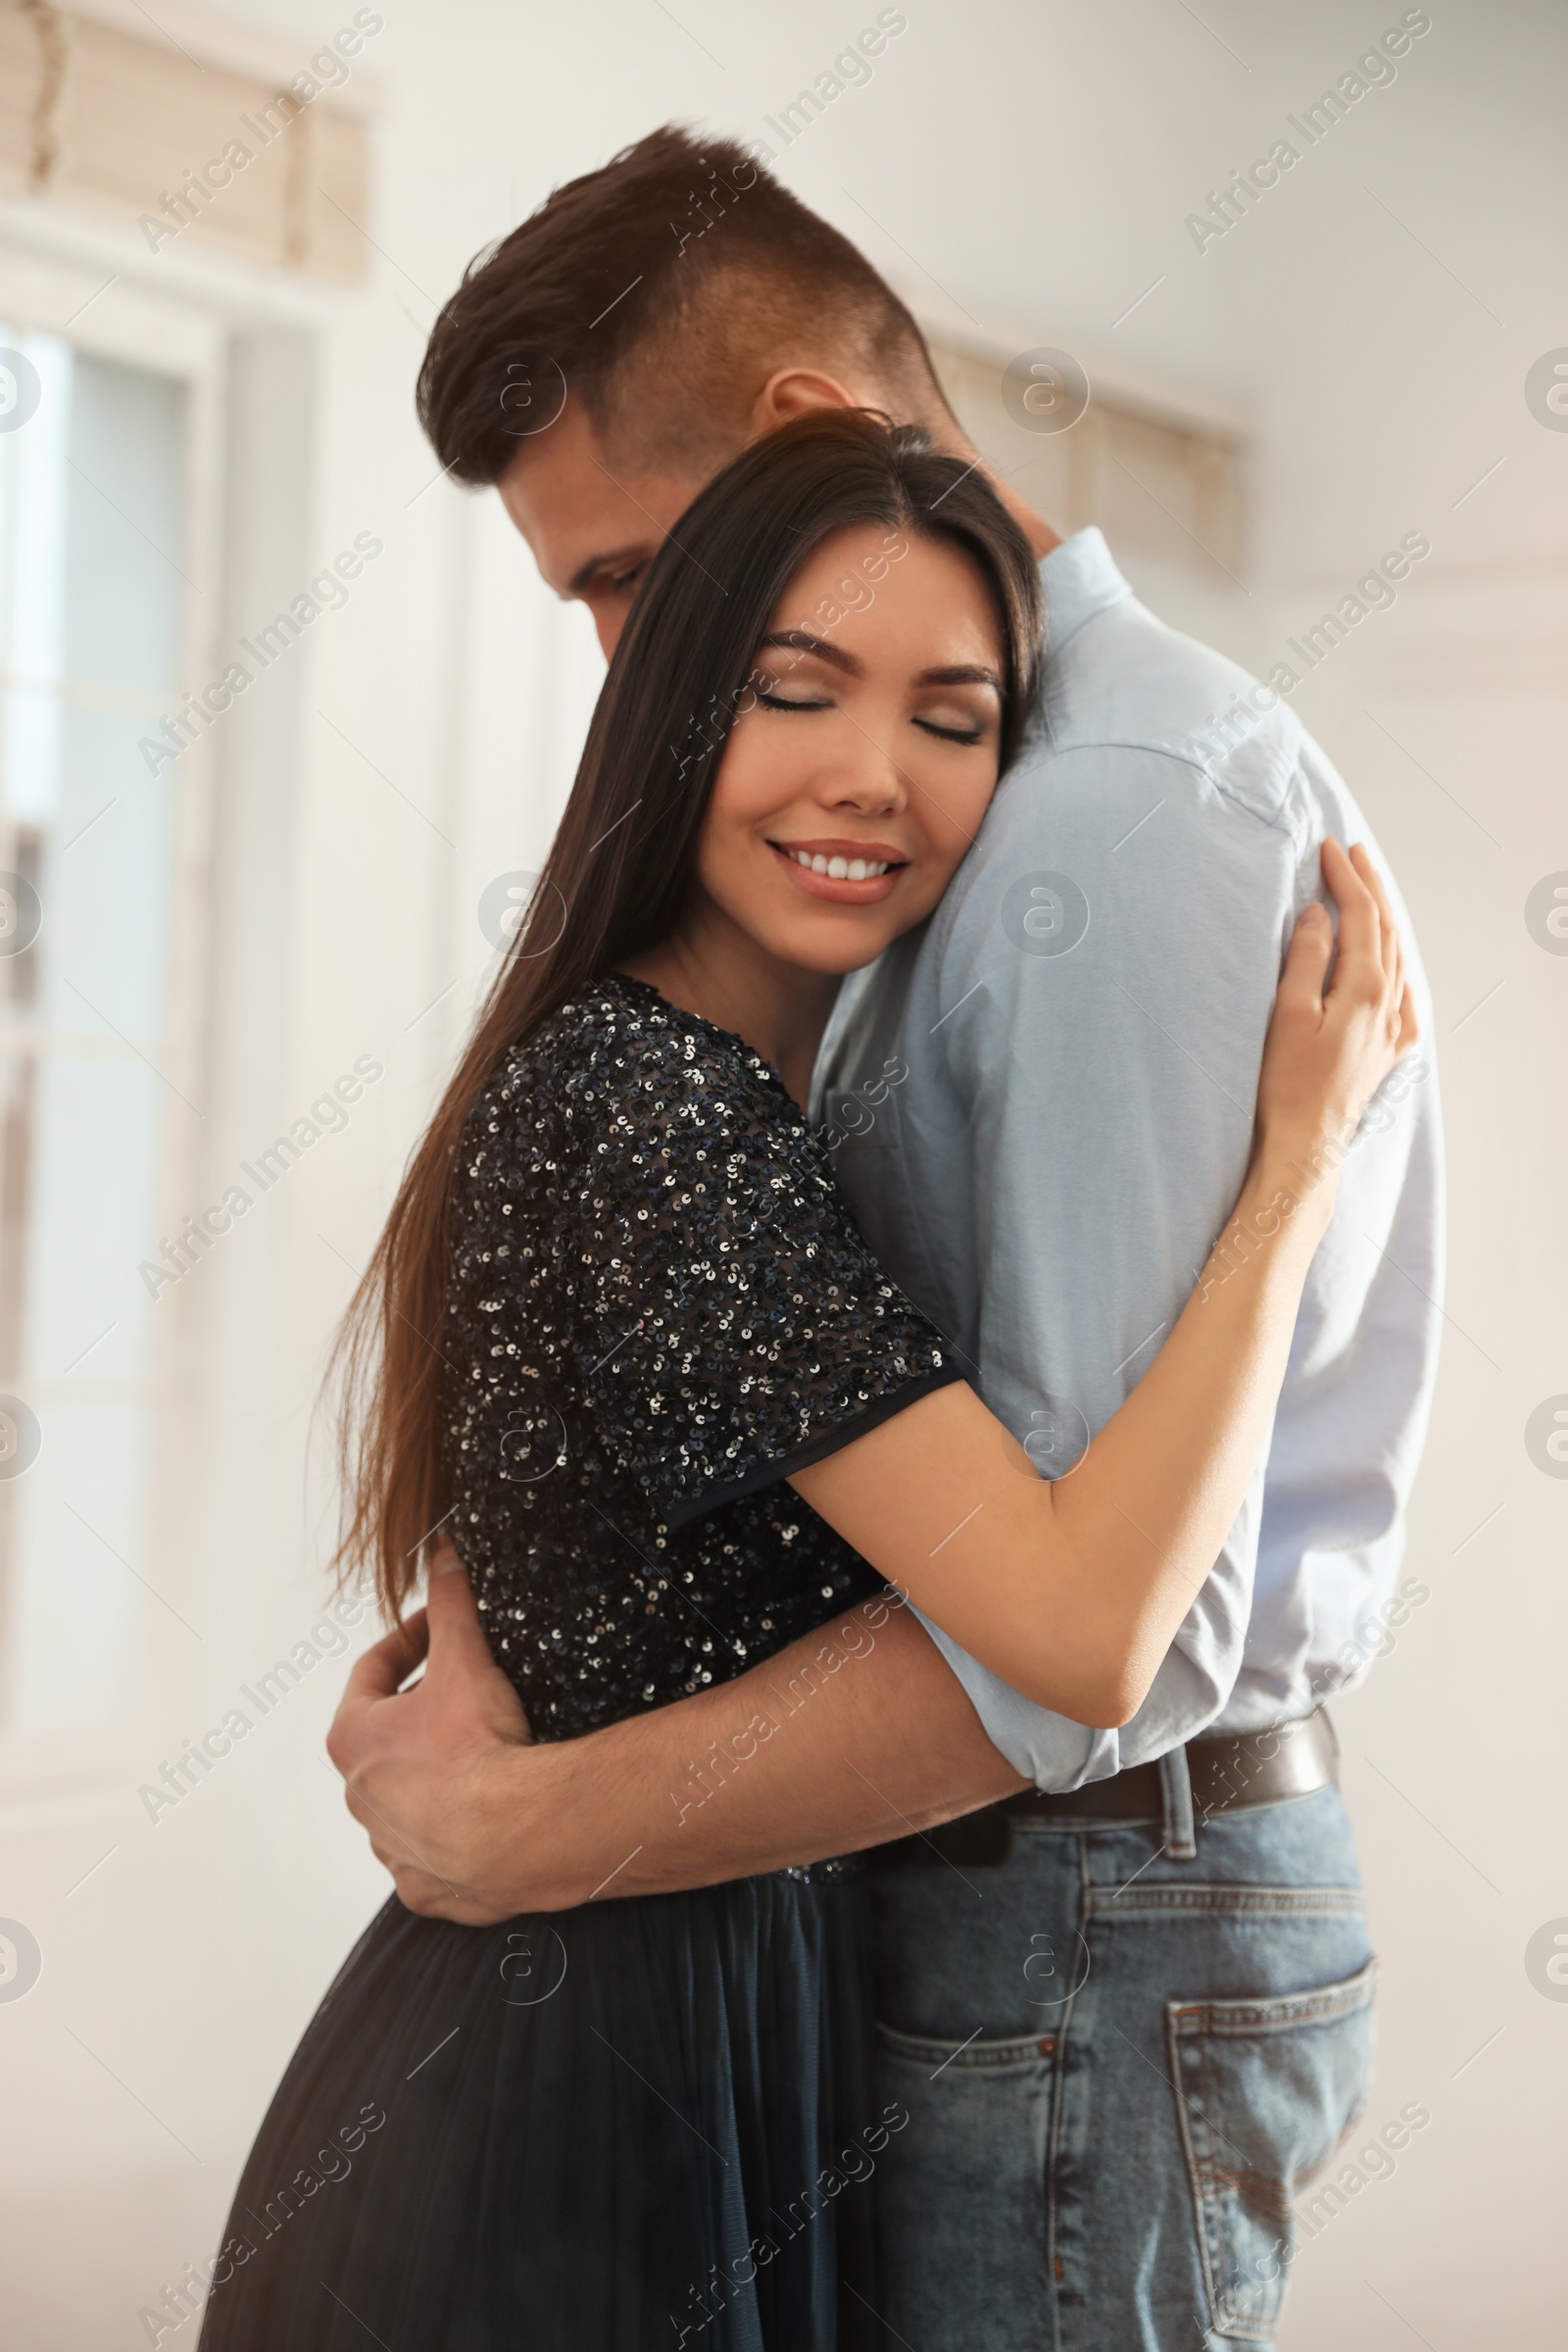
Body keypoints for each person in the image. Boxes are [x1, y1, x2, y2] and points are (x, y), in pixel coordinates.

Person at [327, 131, 1443, 2350]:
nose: (624, 666)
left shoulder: (1112, 822)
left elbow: (1078, 1643)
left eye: (632, 581)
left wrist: (521, 1835)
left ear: (801, 455)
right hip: (915, 1925)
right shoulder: (856, 908)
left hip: (1076, 1906)